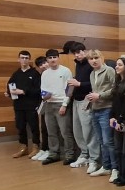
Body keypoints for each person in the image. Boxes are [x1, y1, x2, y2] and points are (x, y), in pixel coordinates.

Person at [67, 43, 100, 173]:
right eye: (75, 53)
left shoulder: (90, 64)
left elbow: (94, 84)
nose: (77, 55)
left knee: (89, 131)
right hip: (76, 100)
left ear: (84, 51)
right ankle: (84, 155)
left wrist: (79, 83)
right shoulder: (78, 65)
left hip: (87, 100)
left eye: (79, 51)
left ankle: (94, 159)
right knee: (78, 131)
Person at [86, 49, 117, 180]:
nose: (94, 61)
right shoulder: (92, 73)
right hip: (95, 109)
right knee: (101, 141)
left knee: (108, 141)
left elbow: (115, 89)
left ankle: (115, 168)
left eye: (96, 58)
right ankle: (106, 166)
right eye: (91, 59)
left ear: (101, 58)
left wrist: (99, 95)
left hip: (107, 109)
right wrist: (92, 98)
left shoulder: (109, 70)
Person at [40, 49, 76, 165]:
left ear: (58, 58)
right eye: (50, 58)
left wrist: (64, 105)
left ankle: (70, 154)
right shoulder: (45, 73)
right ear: (47, 60)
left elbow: (69, 89)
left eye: (54, 57)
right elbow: (43, 89)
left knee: (65, 132)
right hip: (49, 104)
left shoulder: (65, 71)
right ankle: (53, 154)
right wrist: (45, 96)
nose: (52, 60)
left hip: (61, 103)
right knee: (51, 131)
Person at [5, 50, 41, 159]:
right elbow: (10, 86)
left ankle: (36, 147)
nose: (24, 60)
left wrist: (23, 91)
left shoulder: (35, 74)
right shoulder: (16, 74)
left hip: (31, 105)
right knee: (20, 126)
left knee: (34, 127)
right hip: (18, 105)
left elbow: (38, 90)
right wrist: (9, 93)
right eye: (22, 58)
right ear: (18, 59)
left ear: (29, 60)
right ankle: (23, 147)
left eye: (26, 58)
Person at [110, 57, 125, 186]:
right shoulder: (118, 80)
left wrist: (120, 119)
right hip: (117, 118)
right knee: (118, 148)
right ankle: (120, 174)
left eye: (120, 65)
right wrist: (112, 117)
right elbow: (114, 102)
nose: (116, 67)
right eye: (116, 64)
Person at [31, 56, 50, 161]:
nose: (43, 66)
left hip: (55, 103)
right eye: (40, 65)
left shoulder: (56, 72)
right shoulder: (41, 76)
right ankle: (44, 149)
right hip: (44, 103)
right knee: (44, 128)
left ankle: (51, 150)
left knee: (51, 129)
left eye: (44, 63)